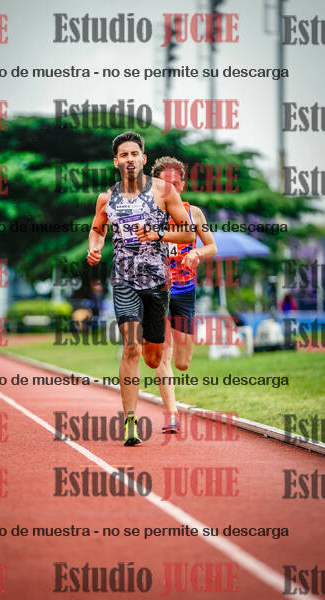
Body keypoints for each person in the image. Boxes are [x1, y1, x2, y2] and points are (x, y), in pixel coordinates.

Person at [87, 132, 194, 446]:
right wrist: (95, 247)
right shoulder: (107, 198)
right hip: (124, 280)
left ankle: (152, 349)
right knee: (131, 347)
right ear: (116, 162)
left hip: (157, 282)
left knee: (153, 357)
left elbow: (188, 234)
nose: (130, 159)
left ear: (144, 159)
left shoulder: (164, 191)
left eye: (135, 153)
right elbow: (97, 229)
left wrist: (158, 234)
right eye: (124, 155)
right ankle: (130, 422)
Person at [151, 156, 217, 433]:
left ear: (183, 185)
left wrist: (196, 252)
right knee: (162, 356)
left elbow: (212, 246)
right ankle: (172, 416)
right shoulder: (149, 213)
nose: (171, 188)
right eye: (165, 184)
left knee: (182, 363)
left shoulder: (194, 213)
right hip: (156, 290)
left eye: (176, 183)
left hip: (185, 290)